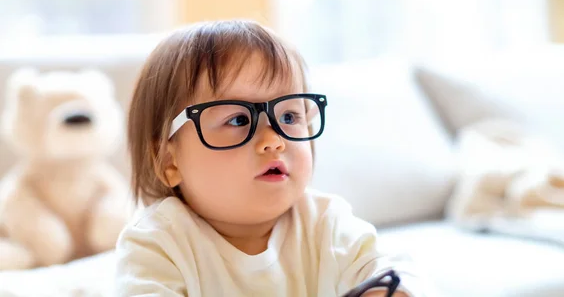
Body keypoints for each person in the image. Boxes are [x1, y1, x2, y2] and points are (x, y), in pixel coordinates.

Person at [115, 20, 426, 296]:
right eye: (238, 120)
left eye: (289, 115)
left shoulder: (325, 223)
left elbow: (398, 273)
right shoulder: (157, 244)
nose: (273, 140)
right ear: (170, 162)